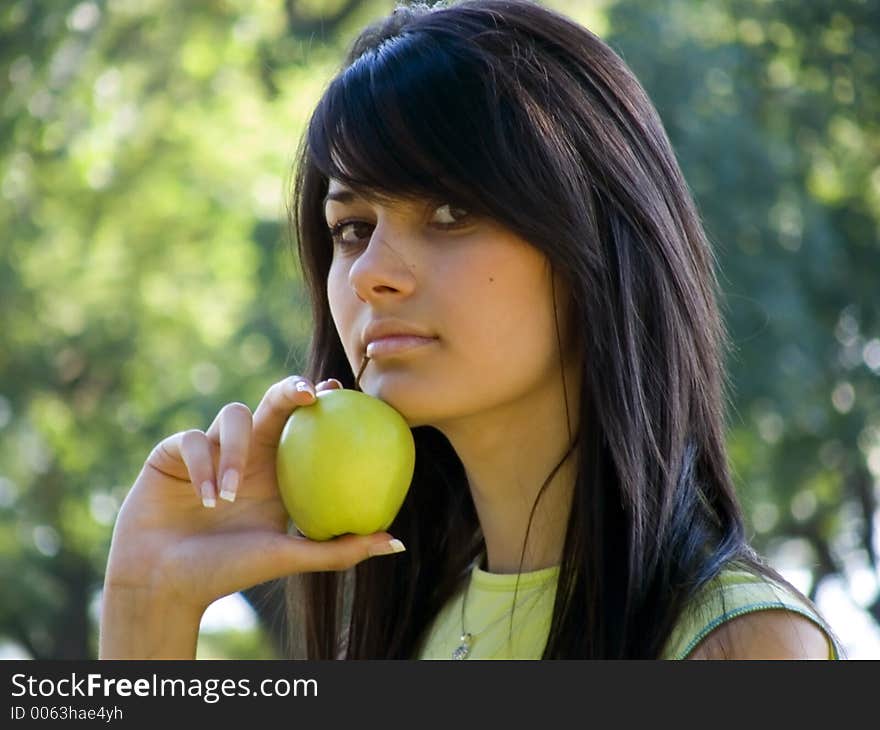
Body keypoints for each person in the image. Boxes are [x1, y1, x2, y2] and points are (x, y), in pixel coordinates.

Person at [99, 0, 845, 660]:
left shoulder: (742, 647)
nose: (367, 274)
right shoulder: (402, 633)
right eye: (352, 227)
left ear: (599, 241)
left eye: (450, 213)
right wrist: (149, 597)